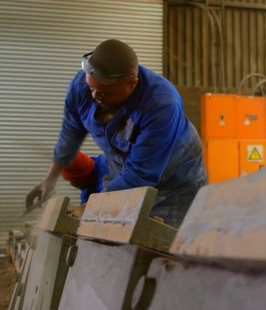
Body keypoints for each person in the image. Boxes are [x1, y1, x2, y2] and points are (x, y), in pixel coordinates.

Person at [26, 39, 207, 227]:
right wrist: (51, 178)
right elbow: (70, 133)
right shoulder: (82, 86)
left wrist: (88, 209)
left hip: (175, 185)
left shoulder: (161, 105)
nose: (95, 96)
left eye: (104, 93)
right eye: (92, 88)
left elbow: (141, 175)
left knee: (168, 244)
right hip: (125, 170)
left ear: (132, 84)